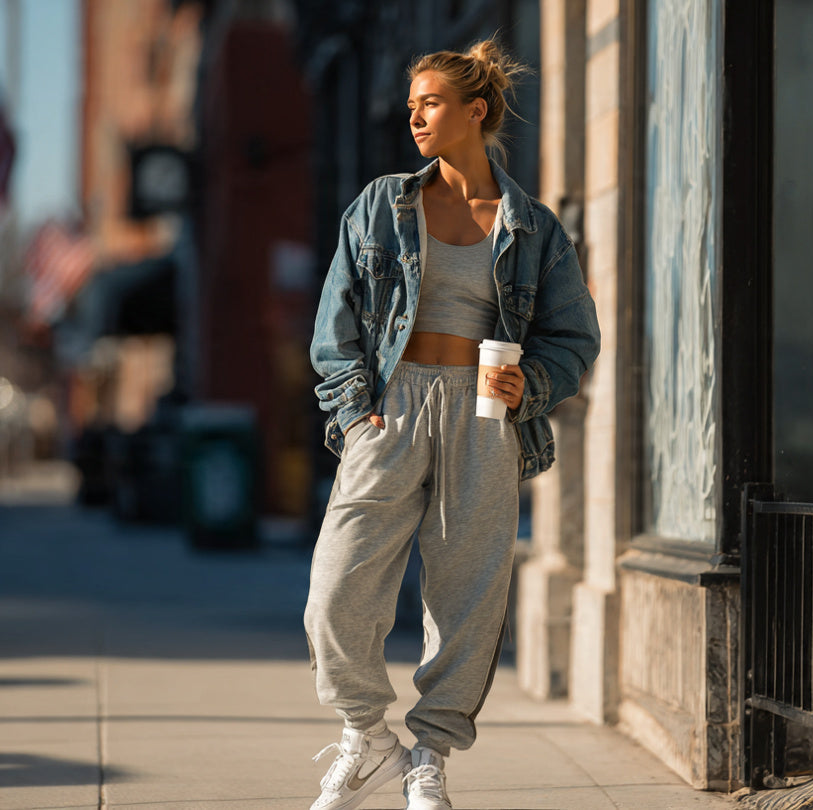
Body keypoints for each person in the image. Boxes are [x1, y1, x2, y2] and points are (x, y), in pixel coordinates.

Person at [304, 39, 600, 810]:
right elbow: (335, 322)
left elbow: (575, 338)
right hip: (389, 407)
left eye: (429, 103)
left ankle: (429, 755)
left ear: (476, 110)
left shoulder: (530, 228)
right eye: (411, 106)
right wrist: (354, 409)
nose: (415, 118)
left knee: (466, 595)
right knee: (337, 587)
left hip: (484, 415)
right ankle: (366, 734)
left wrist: (528, 381)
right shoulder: (381, 204)